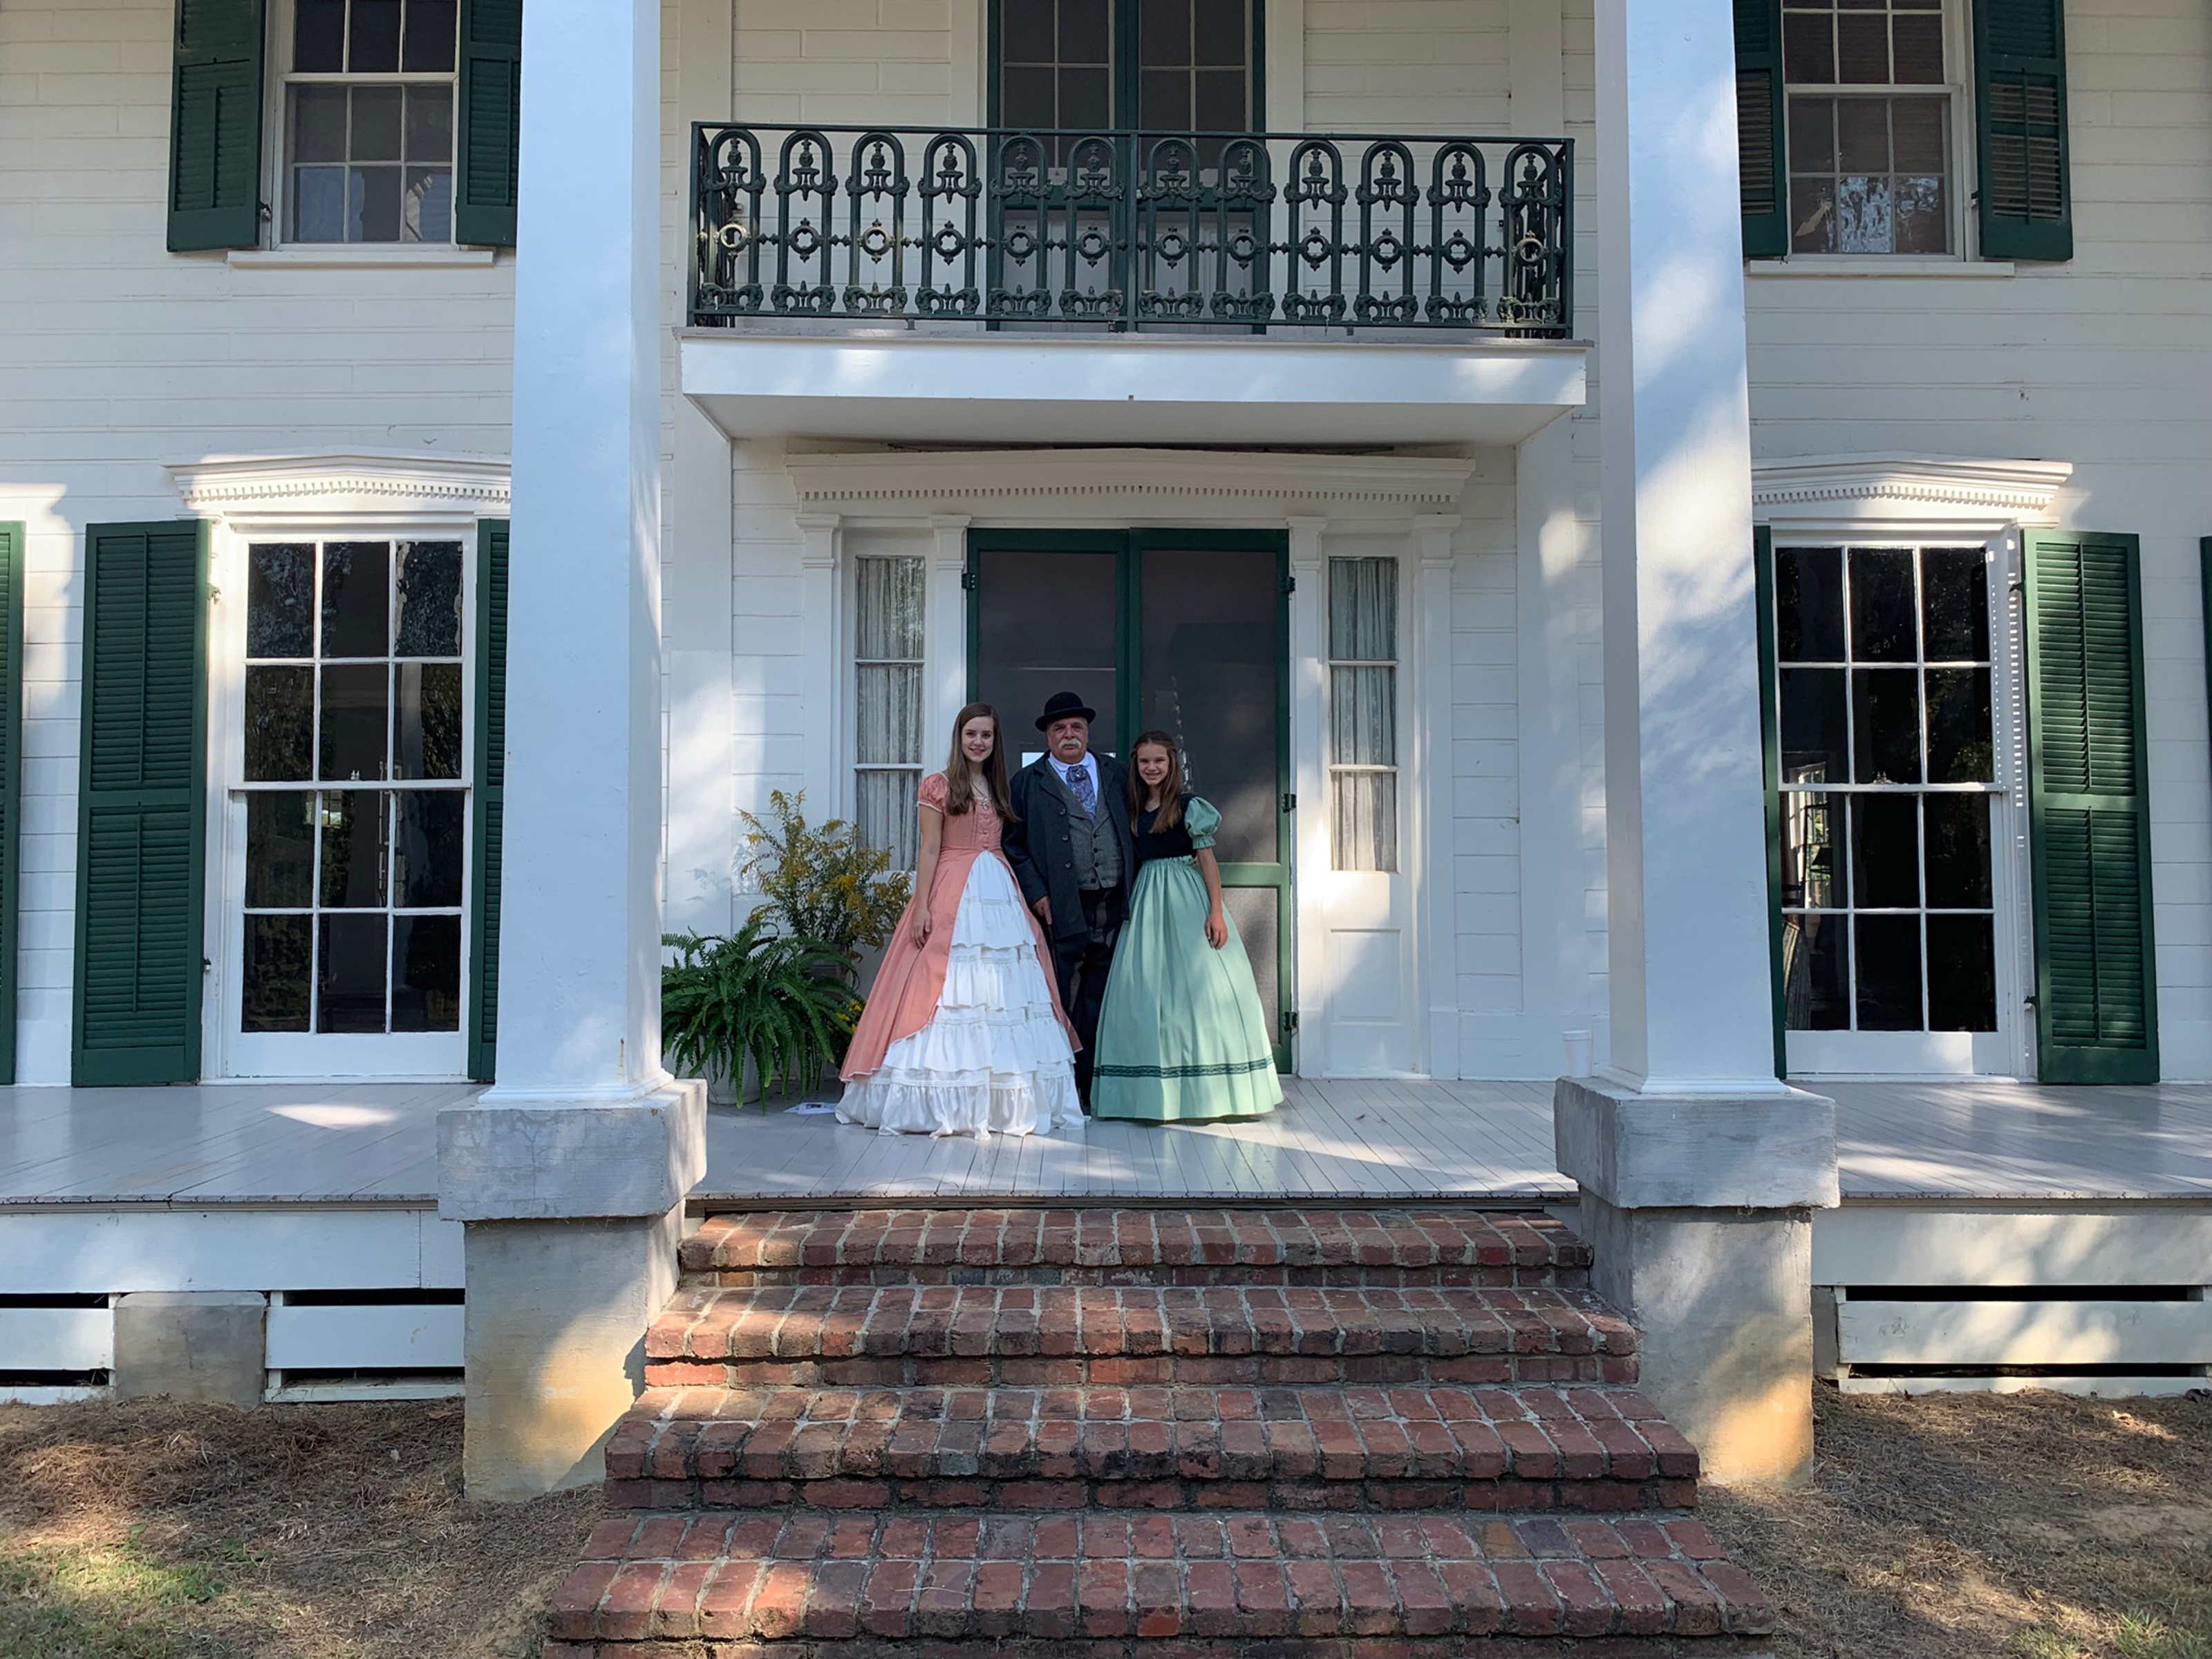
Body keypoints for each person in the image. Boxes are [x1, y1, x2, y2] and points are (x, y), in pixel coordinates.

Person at [836, 703, 1082, 1138]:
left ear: (995, 740)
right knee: (944, 988)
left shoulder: (999, 785)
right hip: (953, 886)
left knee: (1005, 995)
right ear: (959, 737)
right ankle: (939, 1100)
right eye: (971, 734)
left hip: (1000, 889)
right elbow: (930, 848)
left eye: (986, 735)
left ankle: (1001, 1098)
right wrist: (922, 905)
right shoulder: (939, 784)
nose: (978, 742)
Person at [1089, 730, 1283, 1123]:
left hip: (1186, 898)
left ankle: (1211, 1093)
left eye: (1159, 760)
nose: (1151, 768)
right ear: (1136, 765)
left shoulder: (1188, 806)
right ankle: (1151, 1092)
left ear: (1172, 763)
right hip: (1148, 900)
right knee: (1148, 990)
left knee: (1201, 991)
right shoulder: (1134, 808)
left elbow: (1207, 860)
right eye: (1144, 761)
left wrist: (1216, 911)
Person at [1004, 690, 1136, 1111]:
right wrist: (1038, 892)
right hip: (1061, 907)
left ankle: (1096, 1086)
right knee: (1062, 995)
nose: (1069, 734)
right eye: (1059, 728)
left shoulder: (1117, 773)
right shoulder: (1027, 782)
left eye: (1076, 726)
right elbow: (1012, 844)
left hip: (1113, 902)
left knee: (1103, 997)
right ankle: (1064, 1086)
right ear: (1047, 736)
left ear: (1088, 732)